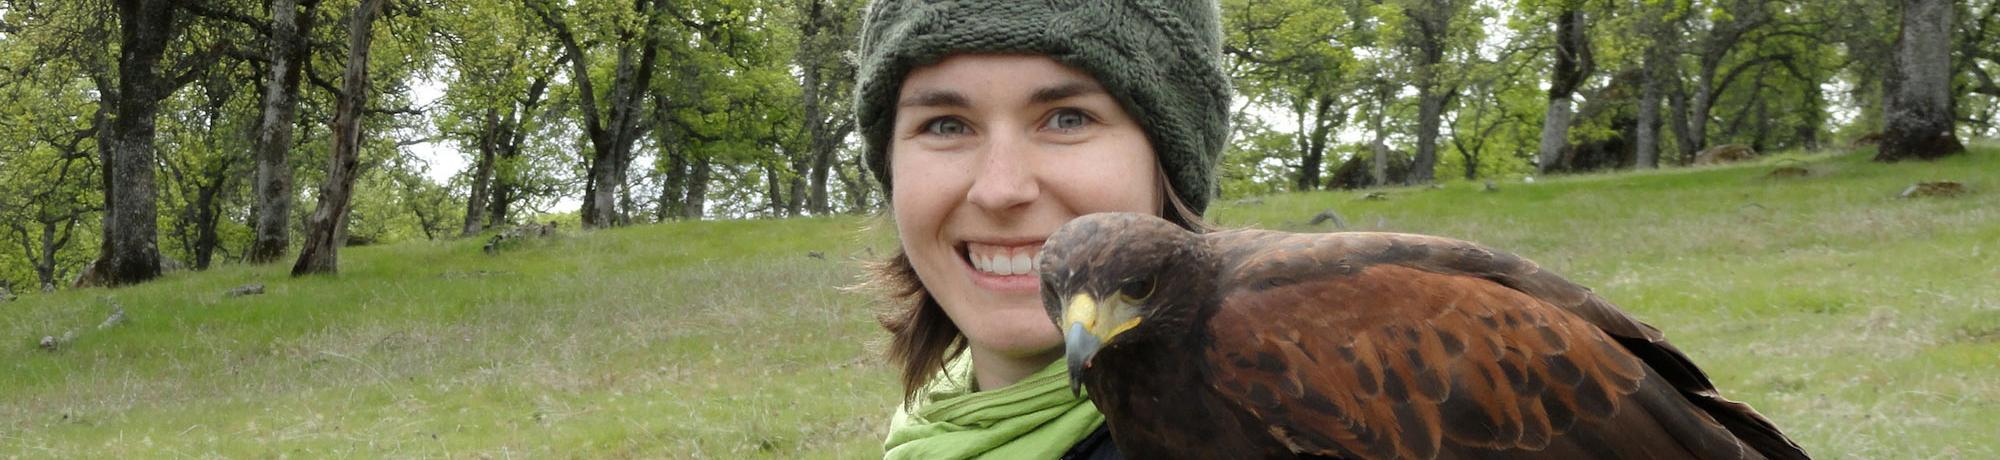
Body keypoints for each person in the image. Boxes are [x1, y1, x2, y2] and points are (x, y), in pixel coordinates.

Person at [852, 1, 1232, 458]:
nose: (1000, 190)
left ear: (1169, 164)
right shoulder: (926, 436)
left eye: (1068, 118)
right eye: (946, 125)